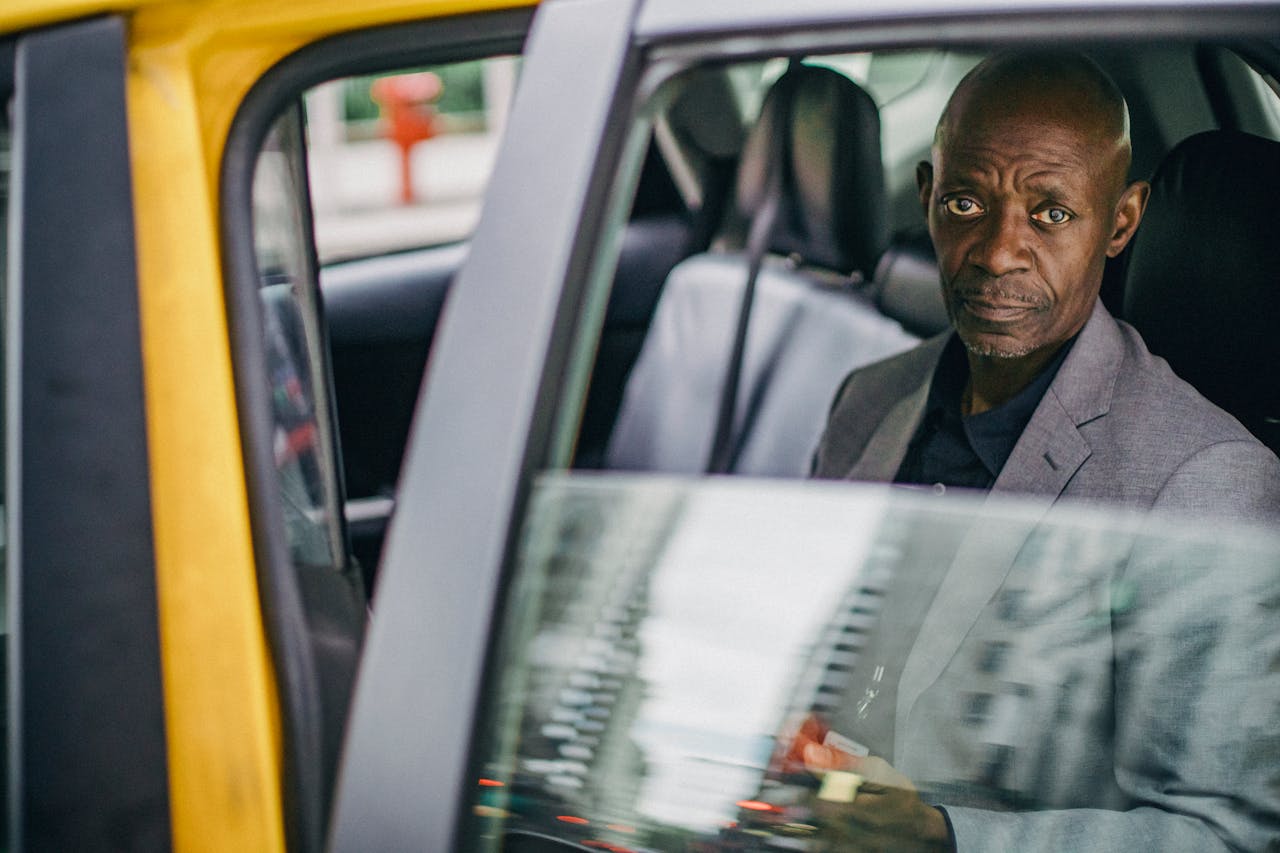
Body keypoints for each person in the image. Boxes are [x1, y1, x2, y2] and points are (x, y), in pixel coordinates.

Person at [801, 51, 1280, 851]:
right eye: (965, 202)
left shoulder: (1205, 483)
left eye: (1050, 213)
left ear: (1122, 221)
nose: (996, 252)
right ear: (927, 197)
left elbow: (1221, 832)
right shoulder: (870, 398)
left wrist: (941, 836)